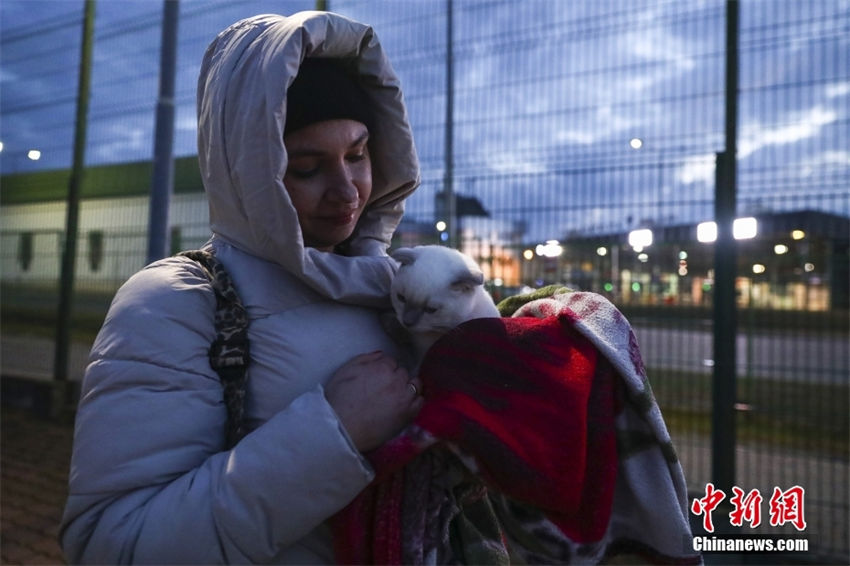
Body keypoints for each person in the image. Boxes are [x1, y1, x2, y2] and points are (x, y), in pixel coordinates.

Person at [60, 11, 422, 564]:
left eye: (358, 154)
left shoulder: (401, 289)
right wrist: (335, 433)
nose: (347, 191)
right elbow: (114, 543)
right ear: (249, 173)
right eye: (306, 167)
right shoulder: (174, 303)